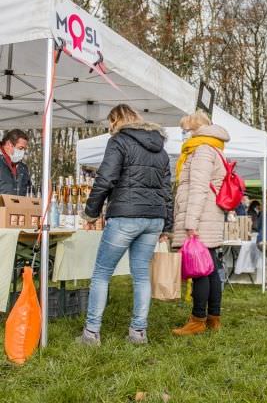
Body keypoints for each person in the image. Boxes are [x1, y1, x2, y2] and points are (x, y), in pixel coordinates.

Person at [77, 104, 173, 346]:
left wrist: (91, 213)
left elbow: (105, 178)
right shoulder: (160, 149)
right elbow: (166, 191)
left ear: (115, 120)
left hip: (126, 215)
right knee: (141, 275)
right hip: (153, 218)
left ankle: (91, 333)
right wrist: (167, 225)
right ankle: (138, 332)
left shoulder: (119, 141)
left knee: (101, 273)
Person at [172, 110, 230, 336]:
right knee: (212, 268)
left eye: (186, 130)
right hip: (209, 215)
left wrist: (190, 221)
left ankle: (197, 319)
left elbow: (197, 188)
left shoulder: (202, 150)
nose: (185, 135)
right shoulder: (214, 147)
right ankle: (213, 317)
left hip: (201, 217)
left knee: (200, 271)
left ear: (195, 129)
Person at [0, 129, 31, 196]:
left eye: (24, 149)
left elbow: (30, 191)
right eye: (20, 148)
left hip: (20, 206)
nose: (23, 152)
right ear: (9, 144)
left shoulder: (23, 168)